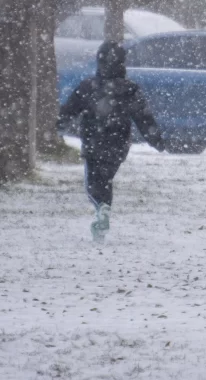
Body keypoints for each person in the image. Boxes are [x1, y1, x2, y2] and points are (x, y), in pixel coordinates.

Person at [58, 40, 165, 242]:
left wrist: (59, 125)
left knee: (93, 182)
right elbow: (143, 117)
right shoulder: (130, 89)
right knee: (106, 178)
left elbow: (70, 109)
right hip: (118, 143)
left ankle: (101, 207)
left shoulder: (88, 86)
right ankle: (104, 208)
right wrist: (155, 138)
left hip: (93, 141)